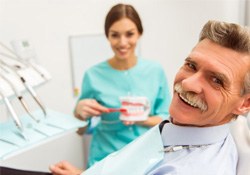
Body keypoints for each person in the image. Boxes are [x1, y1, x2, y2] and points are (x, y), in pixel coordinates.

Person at [50, 20, 250, 175]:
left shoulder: (188, 167)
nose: (188, 83)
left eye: (216, 80)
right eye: (191, 65)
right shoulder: (180, 128)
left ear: (245, 103)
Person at [73, 3, 171, 168]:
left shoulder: (155, 71)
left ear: (139, 33)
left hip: (146, 158)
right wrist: (79, 113)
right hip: (105, 160)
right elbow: (81, 130)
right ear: (107, 36)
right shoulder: (93, 75)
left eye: (129, 34)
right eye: (115, 35)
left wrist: (142, 119)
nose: (122, 42)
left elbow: (168, 120)